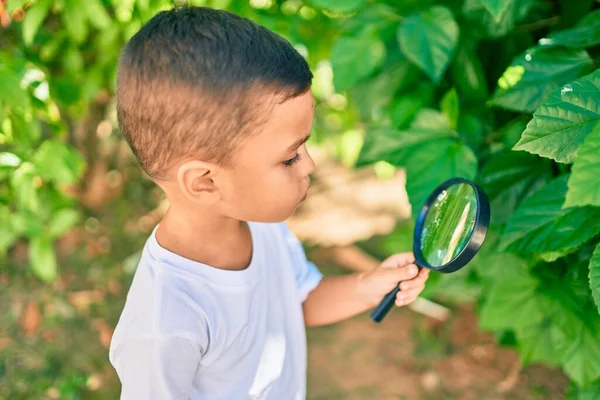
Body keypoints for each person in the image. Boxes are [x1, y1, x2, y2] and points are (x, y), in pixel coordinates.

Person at [108, 6, 430, 399]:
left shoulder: (261, 223)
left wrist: (368, 286)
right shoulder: (165, 322)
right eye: (290, 156)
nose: (309, 165)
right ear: (205, 182)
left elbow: (296, 301)